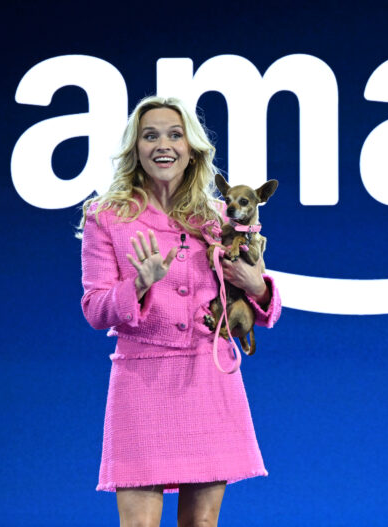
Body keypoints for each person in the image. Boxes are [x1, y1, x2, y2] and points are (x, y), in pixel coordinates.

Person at [77, 95, 281, 527]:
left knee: (201, 524)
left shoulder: (221, 216)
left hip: (208, 376)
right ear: (135, 149)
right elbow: (95, 309)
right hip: (142, 383)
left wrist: (256, 286)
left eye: (175, 135)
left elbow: (257, 300)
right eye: (150, 136)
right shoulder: (105, 216)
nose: (163, 145)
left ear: (192, 149)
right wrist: (139, 283)